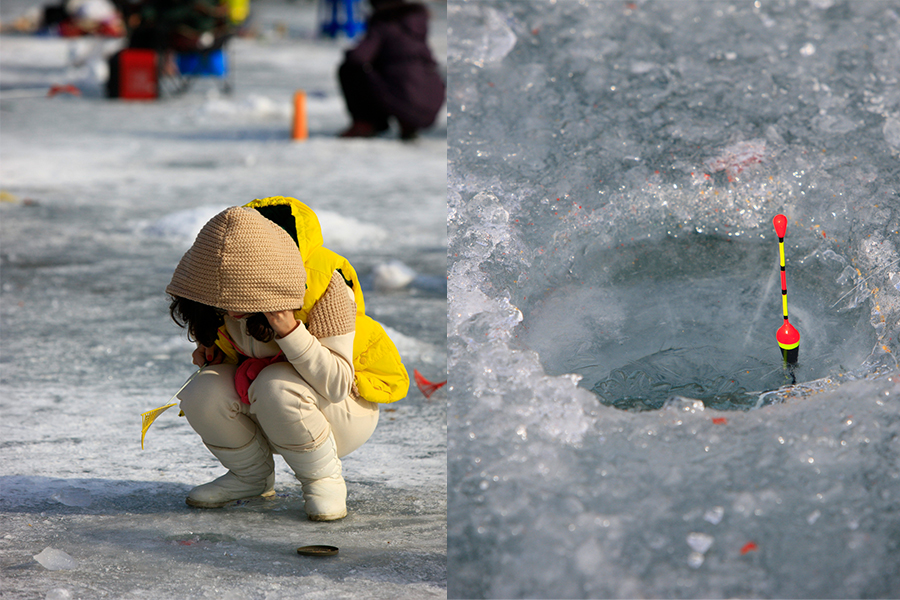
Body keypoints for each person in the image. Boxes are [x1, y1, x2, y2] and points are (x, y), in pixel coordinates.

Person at [166, 197, 408, 521]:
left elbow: (336, 385)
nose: (228, 309)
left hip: (342, 409)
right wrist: (217, 354)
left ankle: (323, 480)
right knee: (202, 392)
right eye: (220, 300)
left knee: (276, 385)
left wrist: (289, 329)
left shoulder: (325, 284)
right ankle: (250, 478)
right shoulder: (220, 281)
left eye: (239, 296)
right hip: (270, 409)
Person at [338, 0, 445, 140]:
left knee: (349, 70)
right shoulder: (416, 22)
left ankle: (366, 124)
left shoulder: (384, 21)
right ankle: (407, 124)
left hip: (407, 99)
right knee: (402, 71)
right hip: (431, 102)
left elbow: (358, 58)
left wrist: (351, 52)